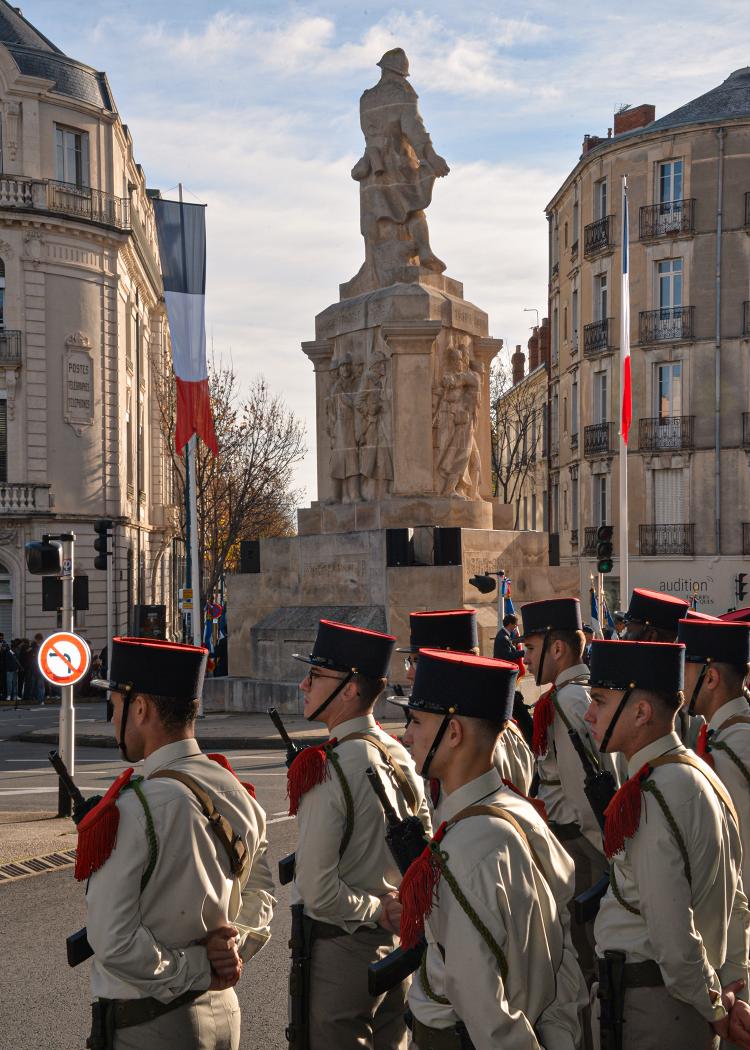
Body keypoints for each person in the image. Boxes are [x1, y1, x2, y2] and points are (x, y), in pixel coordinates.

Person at [82, 637, 275, 1050]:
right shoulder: (235, 790)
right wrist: (232, 947)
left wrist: (198, 966)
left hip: (152, 1022)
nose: (111, 717)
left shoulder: (136, 808)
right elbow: (261, 895)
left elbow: (112, 941)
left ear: (140, 708)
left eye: (114, 705)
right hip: (224, 1011)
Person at [398, 648, 586, 1048]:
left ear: (453, 733)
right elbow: (563, 962)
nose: (406, 736)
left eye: (416, 721)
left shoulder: (465, 848)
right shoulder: (522, 811)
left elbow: (483, 1007)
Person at [584, 638, 750, 1050]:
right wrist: (731, 984)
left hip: (655, 1006)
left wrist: (715, 1008)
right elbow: (737, 899)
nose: (589, 713)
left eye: (601, 701)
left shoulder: (655, 793)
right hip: (683, 999)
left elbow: (674, 938)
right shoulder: (696, 771)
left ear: (641, 712)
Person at [288, 619, 430, 1050]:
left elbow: (317, 889)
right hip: (395, 945)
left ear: (350, 689)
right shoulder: (400, 754)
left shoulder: (327, 766)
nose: (303, 684)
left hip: (342, 951)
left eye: (316, 675)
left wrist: (375, 909)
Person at [520, 596, 620, 990]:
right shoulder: (576, 694)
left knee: (584, 967)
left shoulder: (568, 700)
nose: (524, 659)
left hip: (581, 850)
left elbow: (586, 795)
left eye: (530, 648)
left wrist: (608, 861)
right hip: (579, 846)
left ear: (557, 648)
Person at [398, 608, 534, 795]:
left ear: (451, 662)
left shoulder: (475, 740)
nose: (410, 674)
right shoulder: (483, 722)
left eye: (418, 662)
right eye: (409, 662)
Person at [678, 617, 750, 893]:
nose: (678, 678)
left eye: (685, 668)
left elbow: (737, 847)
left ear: (710, 678)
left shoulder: (729, 746)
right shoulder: (726, 734)